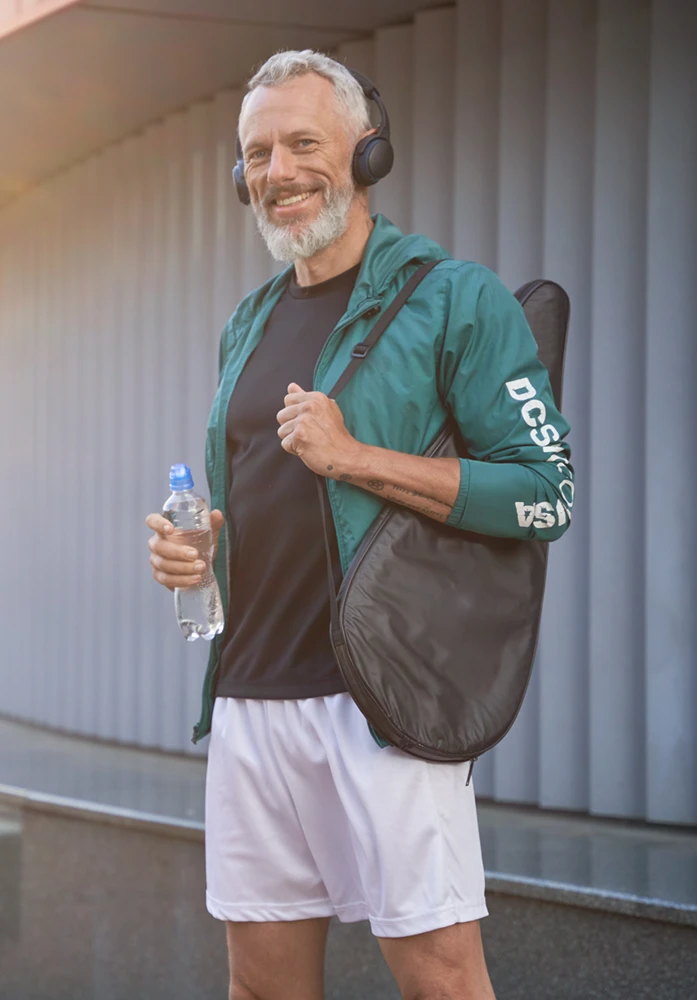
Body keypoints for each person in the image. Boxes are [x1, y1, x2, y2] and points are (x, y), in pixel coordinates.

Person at [146, 49, 573, 1000]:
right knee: (261, 987)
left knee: (440, 983)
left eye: (304, 143)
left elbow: (547, 494)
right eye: (259, 153)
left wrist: (354, 457)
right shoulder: (248, 320)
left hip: (383, 701)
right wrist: (201, 550)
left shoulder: (454, 298)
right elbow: (276, 499)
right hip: (251, 693)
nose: (279, 172)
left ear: (368, 152)